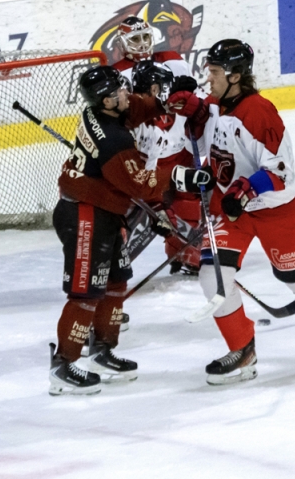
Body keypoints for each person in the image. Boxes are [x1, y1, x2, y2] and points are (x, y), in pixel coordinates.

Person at [166, 39, 295, 385]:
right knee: (211, 277)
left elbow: (281, 171)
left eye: (213, 72)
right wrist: (188, 108)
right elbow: (202, 123)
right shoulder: (216, 104)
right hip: (233, 212)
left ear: (234, 75)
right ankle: (243, 351)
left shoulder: (259, 113)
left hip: (276, 209)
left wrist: (244, 191)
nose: (207, 77)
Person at [49, 65, 212, 395]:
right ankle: (63, 366)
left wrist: (168, 100)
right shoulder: (114, 141)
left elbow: (139, 106)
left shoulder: (107, 112)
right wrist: (179, 178)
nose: (126, 94)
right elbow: (140, 185)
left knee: (117, 280)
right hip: (84, 215)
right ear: (107, 101)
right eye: (119, 92)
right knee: (86, 294)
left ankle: (102, 351)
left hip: (104, 212)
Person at [129, 60, 202, 275]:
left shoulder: (172, 98)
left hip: (180, 156)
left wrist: (194, 101)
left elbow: (208, 109)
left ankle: (182, 252)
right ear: (154, 87)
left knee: (188, 201)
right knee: (152, 213)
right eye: (163, 85)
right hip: (153, 167)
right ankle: (112, 266)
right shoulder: (138, 115)